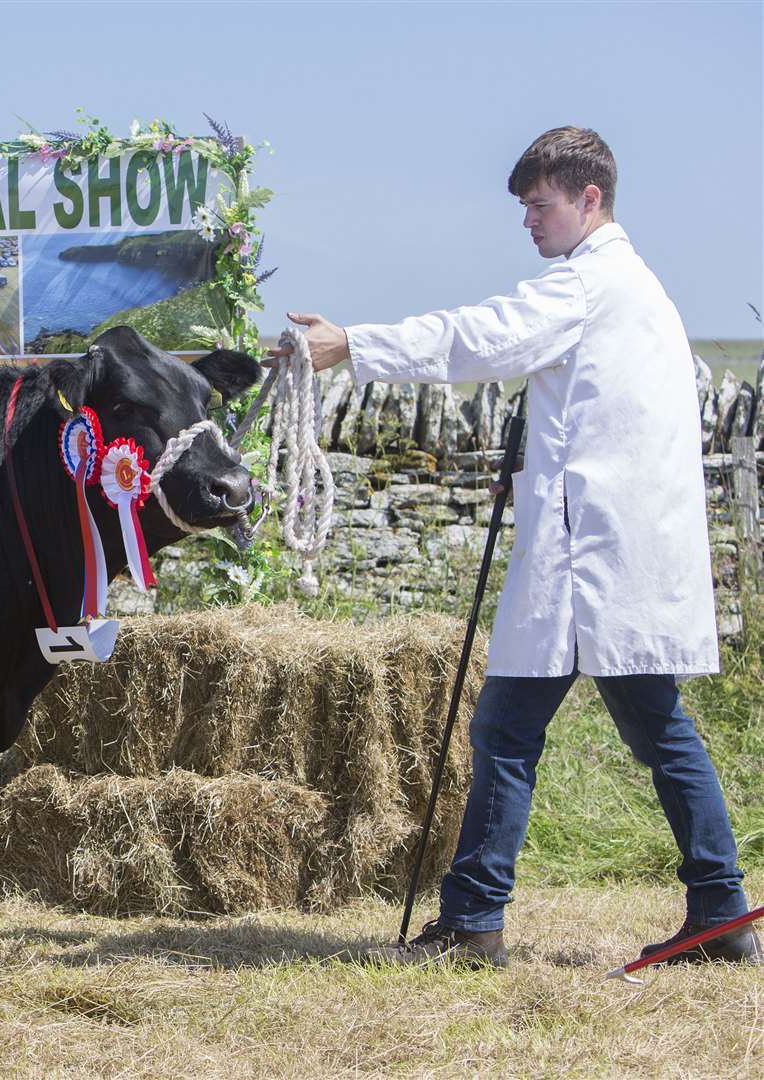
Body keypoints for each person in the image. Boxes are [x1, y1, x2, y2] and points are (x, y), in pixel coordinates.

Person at [273, 127, 758, 969]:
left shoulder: (586, 286)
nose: (528, 222)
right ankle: (718, 910)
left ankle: (475, 924)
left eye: (540, 205)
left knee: (510, 732)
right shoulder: (642, 291)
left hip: (590, 566)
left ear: (589, 199)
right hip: (610, 560)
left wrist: (354, 344)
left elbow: (479, 336)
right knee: (653, 732)